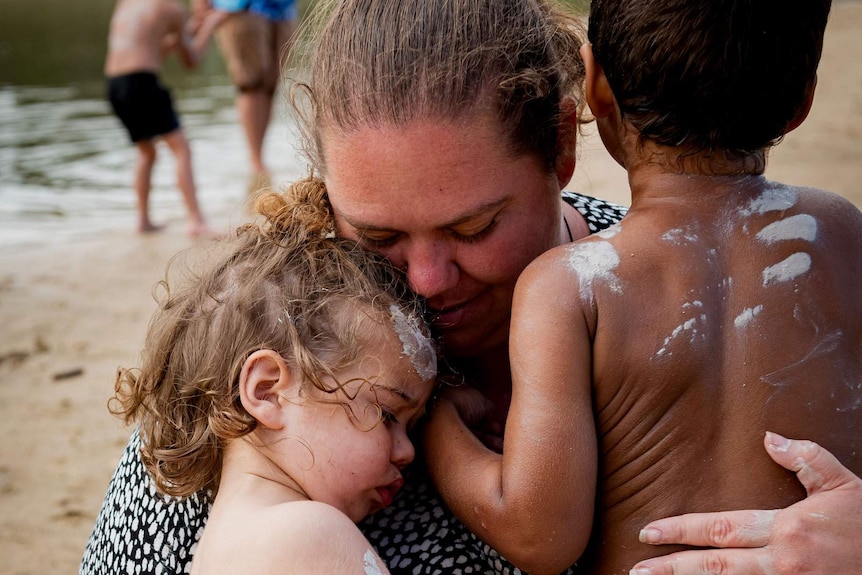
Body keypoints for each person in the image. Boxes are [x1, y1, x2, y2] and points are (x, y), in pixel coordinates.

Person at [82, 1, 862, 574]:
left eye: (473, 228)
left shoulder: (650, 277)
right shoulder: (277, 357)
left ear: (564, 143)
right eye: (379, 236)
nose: (425, 278)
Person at [421, 0, 862, 573]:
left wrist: (438, 431)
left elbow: (537, 536)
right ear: (803, 98)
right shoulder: (846, 235)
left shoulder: (571, 286)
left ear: (596, 85)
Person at [106, 175, 437, 574]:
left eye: (411, 426)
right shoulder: (308, 533)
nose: (408, 452)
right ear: (267, 391)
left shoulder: (222, 544)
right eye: (387, 415)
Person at [105, 0, 222, 236]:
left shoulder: (126, 3)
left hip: (114, 84)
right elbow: (191, 61)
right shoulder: (172, 9)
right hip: (142, 81)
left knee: (147, 152)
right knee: (181, 149)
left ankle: (143, 221)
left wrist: (184, 34)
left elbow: (148, 49)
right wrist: (209, 26)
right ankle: (196, 221)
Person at [192, 0, 298, 194]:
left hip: (283, 8)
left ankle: (260, 163)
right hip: (237, 8)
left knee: (270, 85)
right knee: (250, 83)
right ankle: (256, 162)